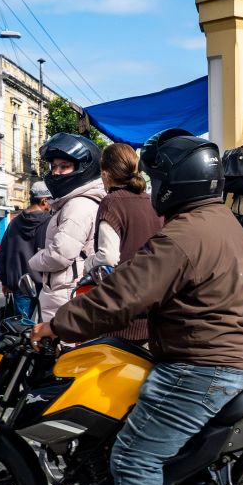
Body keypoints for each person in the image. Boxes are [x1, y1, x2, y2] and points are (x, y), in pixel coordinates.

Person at [30, 130, 243, 485]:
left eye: (160, 177)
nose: (154, 186)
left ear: (178, 181)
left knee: (133, 457)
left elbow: (124, 296)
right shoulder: (219, 219)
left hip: (203, 364)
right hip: (224, 356)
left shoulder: (182, 235)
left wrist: (57, 324)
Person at [82, 143, 165, 342]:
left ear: (105, 174)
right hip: (155, 312)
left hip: (122, 316)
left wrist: (87, 263)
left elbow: (108, 257)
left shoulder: (111, 202)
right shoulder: (153, 201)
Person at [27, 133, 107, 321]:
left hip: (66, 294)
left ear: (84, 168)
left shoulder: (77, 205)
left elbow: (59, 255)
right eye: (54, 166)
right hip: (66, 292)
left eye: (64, 166)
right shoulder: (73, 203)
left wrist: (34, 260)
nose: (56, 172)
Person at [0, 182, 53, 318]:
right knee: (46, 330)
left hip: (20, 283)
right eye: (51, 200)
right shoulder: (50, 222)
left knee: (21, 328)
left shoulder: (14, 223)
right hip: (46, 283)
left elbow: (3, 253)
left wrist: (4, 281)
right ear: (44, 200)